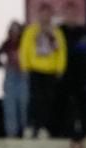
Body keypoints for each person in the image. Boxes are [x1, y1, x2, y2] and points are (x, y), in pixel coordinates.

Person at [20, 4, 68, 139]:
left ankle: (44, 127)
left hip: (50, 70)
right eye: (43, 13)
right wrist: (25, 67)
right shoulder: (31, 31)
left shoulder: (56, 32)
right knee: (34, 99)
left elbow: (62, 51)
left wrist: (60, 68)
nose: (45, 17)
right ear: (38, 15)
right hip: (35, 69)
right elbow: (24, 50)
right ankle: (30, 126)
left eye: (48, 14)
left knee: (48, 100)